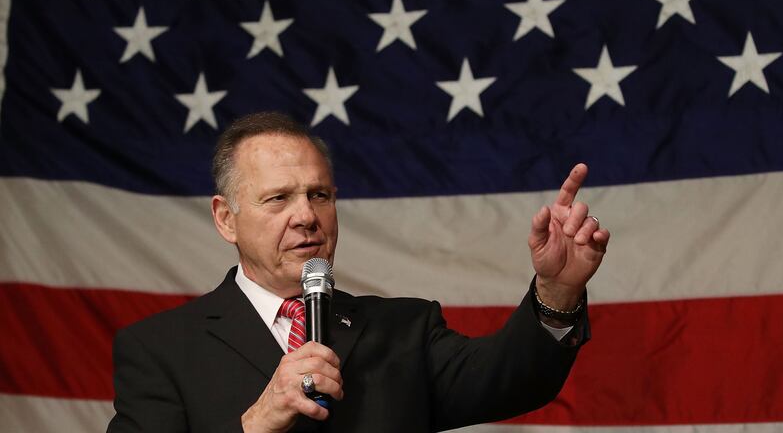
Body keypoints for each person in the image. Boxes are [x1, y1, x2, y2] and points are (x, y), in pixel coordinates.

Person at [107, 112, 609, 433]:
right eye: (278, 198)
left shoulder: (404, 332)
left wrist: (558, 288)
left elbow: (513, 380)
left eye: (318, 195)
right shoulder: (160, 350)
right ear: (225, 218)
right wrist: (256, 424)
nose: (306, 215)